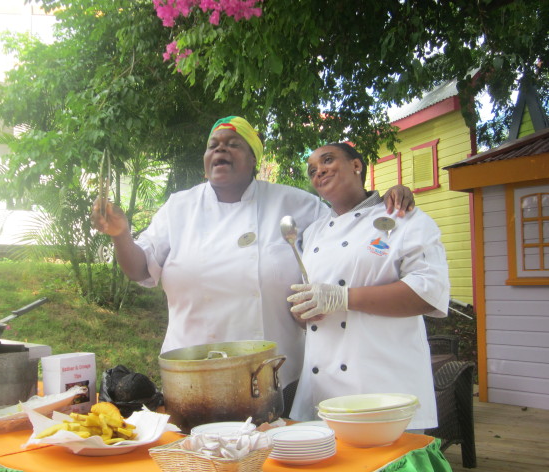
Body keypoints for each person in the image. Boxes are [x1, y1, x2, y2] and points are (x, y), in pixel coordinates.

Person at [91, 116, 415, 400]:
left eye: (232, 144)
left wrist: (382, 200)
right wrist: (121, 234)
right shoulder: (179, 208)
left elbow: (348, 229)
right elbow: (138, 269)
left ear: (253, 159)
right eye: (213, 145)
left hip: (277, 373)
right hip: (192, 373)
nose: (220, 149)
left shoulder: (293, 202)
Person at [286, 143, 449, 430]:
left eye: (327, 160)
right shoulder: (312, 234)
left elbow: (428, 293)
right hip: (321, 391)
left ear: (357, 166)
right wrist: (302, 312)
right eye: (312, 170)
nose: (319, 170)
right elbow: (308, 306)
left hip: (384, 388)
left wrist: (342, 297)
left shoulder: (403, 217)